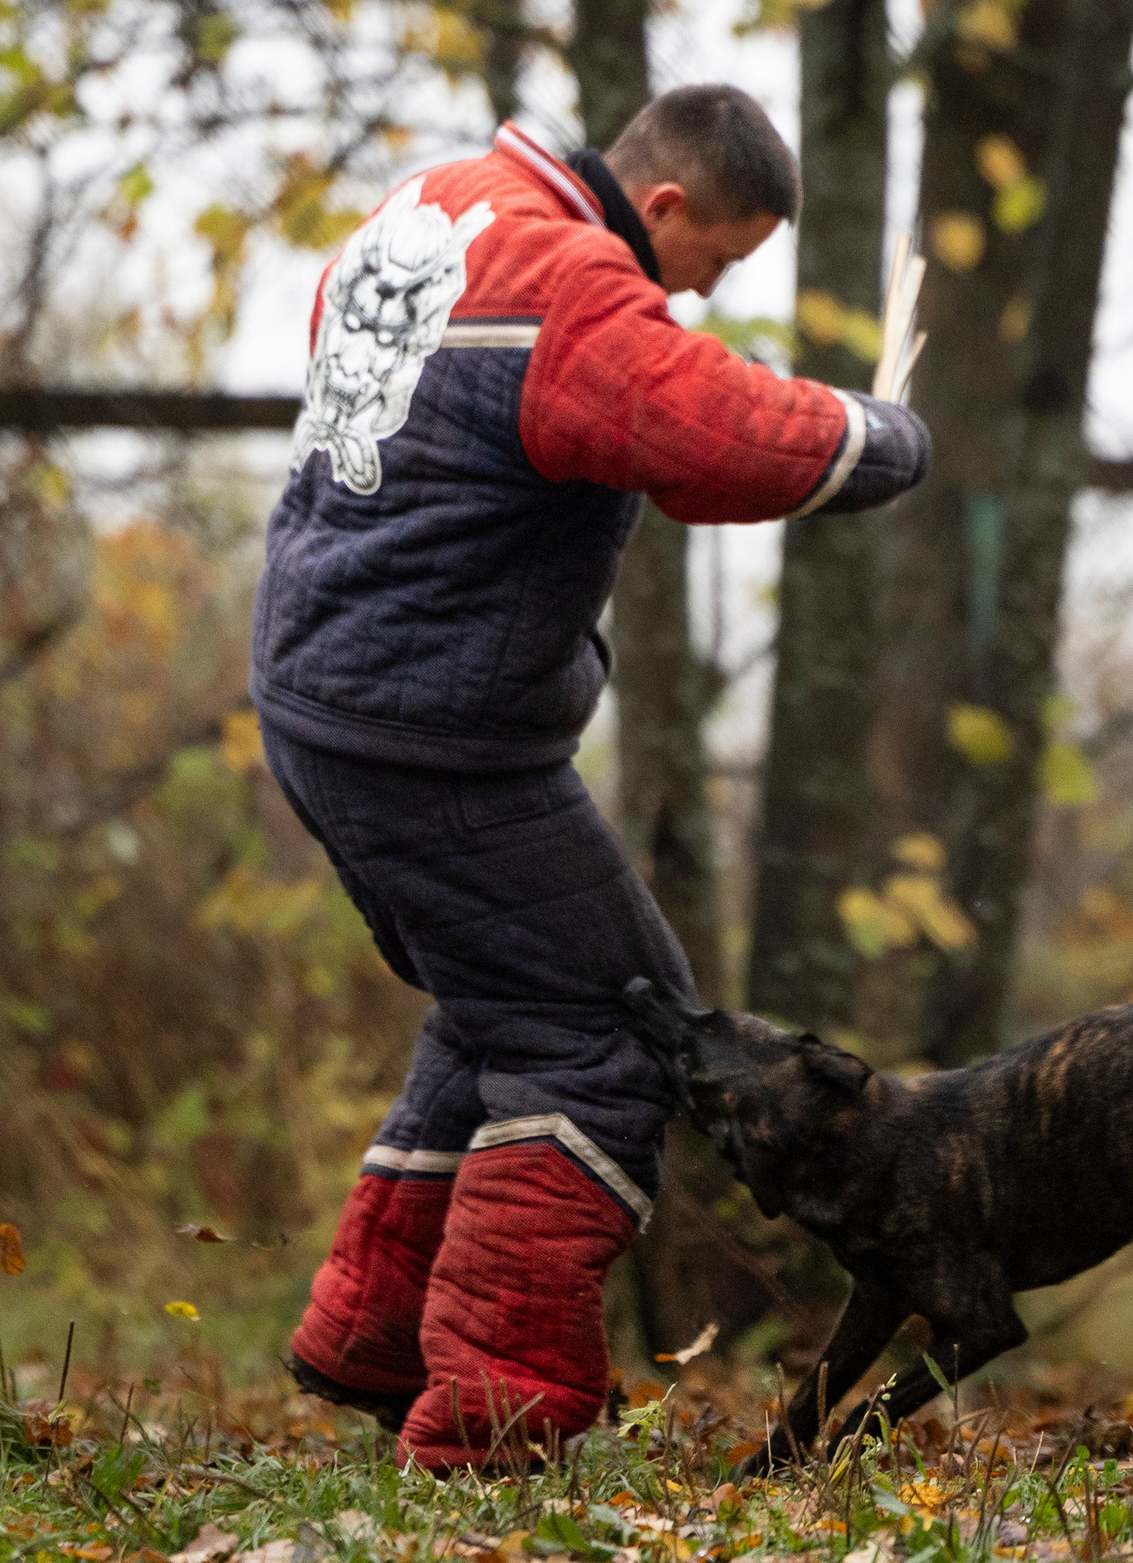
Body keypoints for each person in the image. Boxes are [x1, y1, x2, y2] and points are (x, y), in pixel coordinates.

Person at [250, 85, 930, 1473]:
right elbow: (716, 437)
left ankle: (377, 1332)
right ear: (665, 204)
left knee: (511, 1009)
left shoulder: (428, 213)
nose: (700, 290)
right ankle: (495, 1415)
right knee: (619, 1031)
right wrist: (885, 438)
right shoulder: (572, 282)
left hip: (325, 698)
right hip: (432, 736)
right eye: (719, 260)